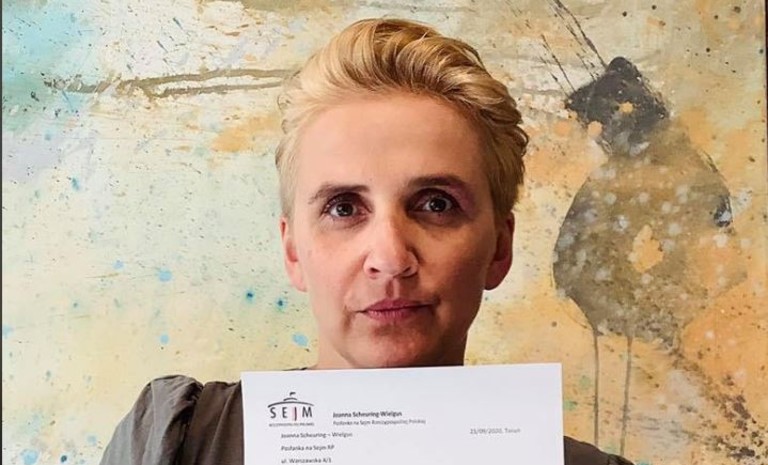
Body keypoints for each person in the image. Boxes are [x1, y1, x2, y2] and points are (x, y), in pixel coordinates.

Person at [100, 18, 633, 465]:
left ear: (499, 248)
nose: (391, 258)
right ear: (293, 252)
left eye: (436, 204)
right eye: (343, 208)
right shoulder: (176, 443)